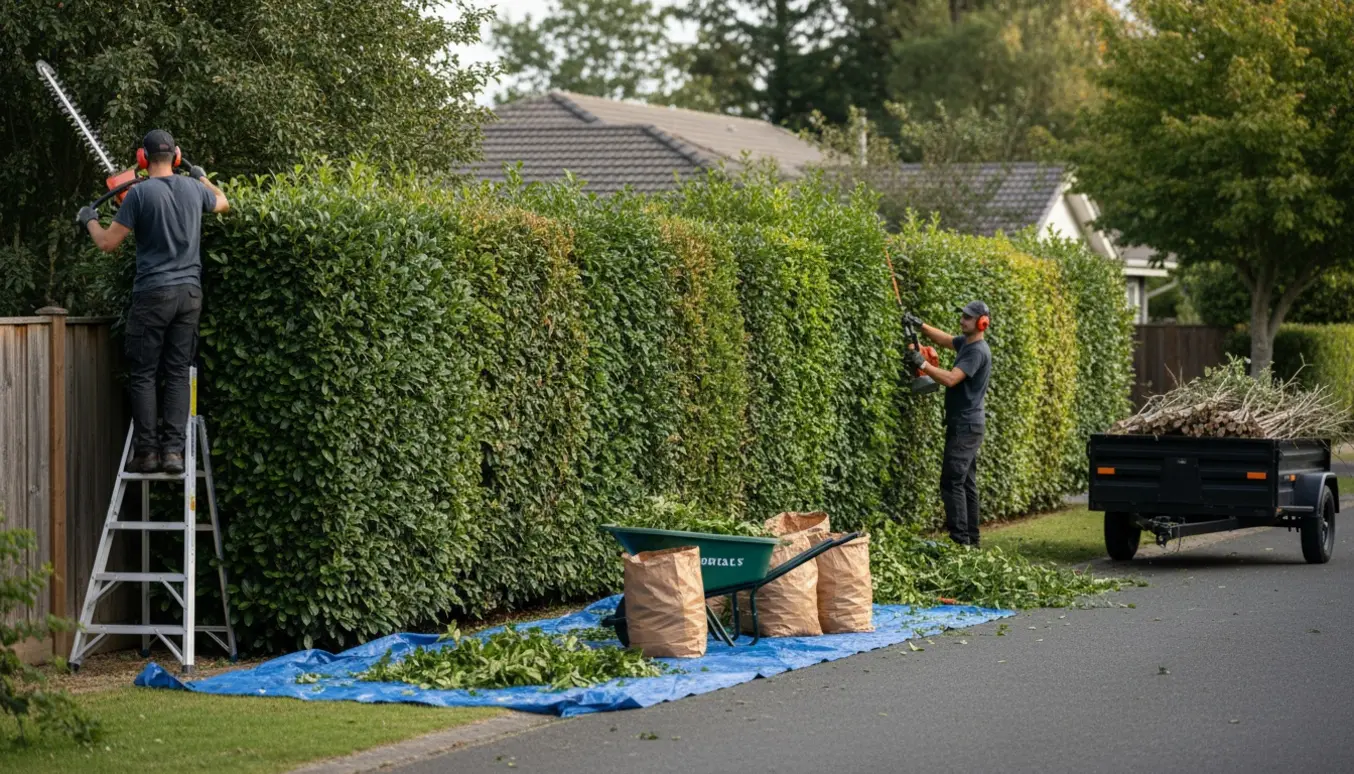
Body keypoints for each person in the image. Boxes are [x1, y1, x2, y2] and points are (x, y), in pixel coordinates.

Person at [78, 129, 230, 474]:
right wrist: (202, 177)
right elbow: (223, 201)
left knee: (144, 373)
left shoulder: (139, 194)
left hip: (153, 295)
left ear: (142, 159)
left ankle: (147, 453)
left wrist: (89, 218)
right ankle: (174, 453)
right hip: (189, 295)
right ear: (177, 156)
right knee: (177, 371)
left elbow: (106, 243)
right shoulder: (193, 189)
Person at [904, 301, 993, 546]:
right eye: (963, 316)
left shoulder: (977, 351)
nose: (963, 320)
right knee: (966, 482)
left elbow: (952, 379)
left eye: (968, 318)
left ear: (981, 323)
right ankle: (971, 541)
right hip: (966, 425)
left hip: (966, 426)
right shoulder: (966, 343)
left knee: (951, 481)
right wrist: (919, 325)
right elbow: (944, 339)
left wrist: (923, 364)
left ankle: (960, 541)